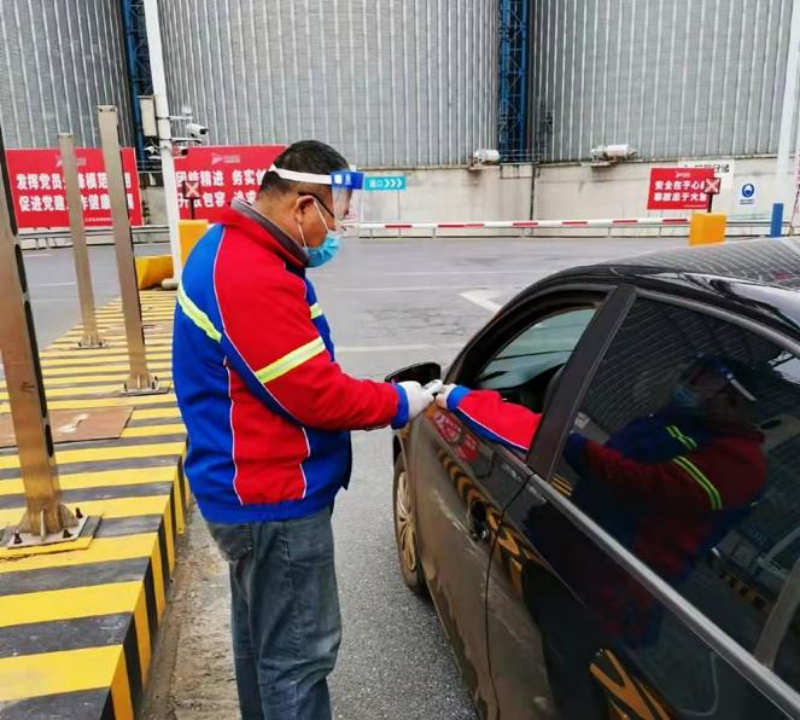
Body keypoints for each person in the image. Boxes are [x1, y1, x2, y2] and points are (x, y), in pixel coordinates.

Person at [173, 140, 437, 720]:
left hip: (248, 492)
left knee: (264, 647)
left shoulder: (233, 248)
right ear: (301, 206)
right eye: (336, 214)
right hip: (274, 500)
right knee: (298, 659)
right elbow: (314, 394)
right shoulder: (250, 274)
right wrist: (402, 401)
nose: (337, 228)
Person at [438, 353, 767, 598]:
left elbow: (640, 483)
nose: (685, 385)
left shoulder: (738, 463)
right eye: (688, 375)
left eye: (698, 382)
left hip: (621, 582)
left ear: (731, 401)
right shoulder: (688, 422)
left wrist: (567, 443)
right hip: (586, 546)